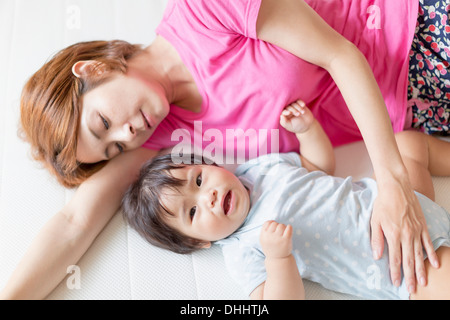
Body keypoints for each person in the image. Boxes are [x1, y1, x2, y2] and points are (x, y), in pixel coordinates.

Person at [3, 0, 449, 298]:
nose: (127, 133)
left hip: (416, 33)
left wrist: (391, 186)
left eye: (103, 121)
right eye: (113, 146)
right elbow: (72, 223)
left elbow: (341, 55)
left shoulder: (203, 11)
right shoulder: (168, 150)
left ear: (94, 69)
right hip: (422, 115)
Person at [122, 102, 450, 300]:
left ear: (214, 165)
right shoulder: (244, 249)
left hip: (401, 201)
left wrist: (308, 132)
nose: (206, 196)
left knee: (407, 144)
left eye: (198, 179)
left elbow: (318, 167)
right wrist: (279, 258)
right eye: (192, 211)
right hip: (404, 264)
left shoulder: (261, 167)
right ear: (199, 242)